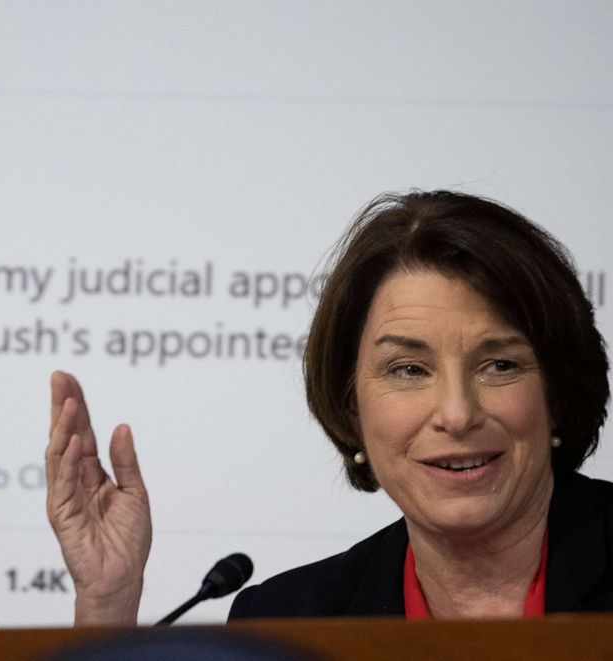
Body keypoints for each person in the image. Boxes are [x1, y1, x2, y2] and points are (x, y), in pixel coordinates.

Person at [45, 190, 613, 623]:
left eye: (500, 365)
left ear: (556, 394)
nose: (458, 414)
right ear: (350, 407)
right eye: (409, 370)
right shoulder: (289, 622)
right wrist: (108, 608)